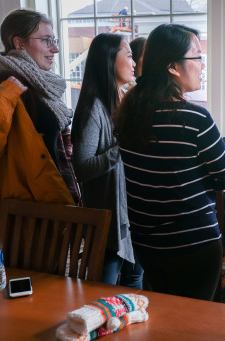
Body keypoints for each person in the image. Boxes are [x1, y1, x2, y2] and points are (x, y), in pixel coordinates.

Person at [113, 24, 225, 300]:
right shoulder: (195, 118)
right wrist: (211, 166)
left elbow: (159, 170)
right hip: (193, 243)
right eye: (197, 57)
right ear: (173, 66)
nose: (202, 65)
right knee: (195, 323)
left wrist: (197, 167)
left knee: (165, 315)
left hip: (146, 242)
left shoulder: (129, 113)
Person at [0, 9, 74, 210]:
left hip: (42, 200)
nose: (55, 49)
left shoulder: (41, 86)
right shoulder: (9, 85)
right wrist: (6, 93)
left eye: (54, 41)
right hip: (23, 207)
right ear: (19, 43)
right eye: (46, 40)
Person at [71, 33, 143, 289]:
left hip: (133, 209)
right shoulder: (94, 108)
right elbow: (82, 167)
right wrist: (122, 146)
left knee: (135, 276)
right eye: (129, 55)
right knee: (104, 284)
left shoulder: (125, 100)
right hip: (109, 216)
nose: (134, 63)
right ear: (110, 60)